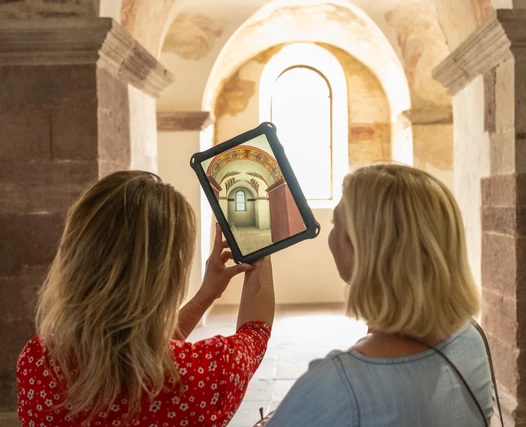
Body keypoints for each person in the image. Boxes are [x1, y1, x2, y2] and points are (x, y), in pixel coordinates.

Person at [16, 170, 275, 426]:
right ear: (168, 273)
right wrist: (258, 241)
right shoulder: (206, 373)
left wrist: (206, 294)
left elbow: (133, 348)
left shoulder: (37, 362)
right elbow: (255, 331)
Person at [261, 164, 494, 427]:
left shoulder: (338, 384)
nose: (330, 237)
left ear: (363, 251)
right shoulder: (471, 339)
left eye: (335, 224)